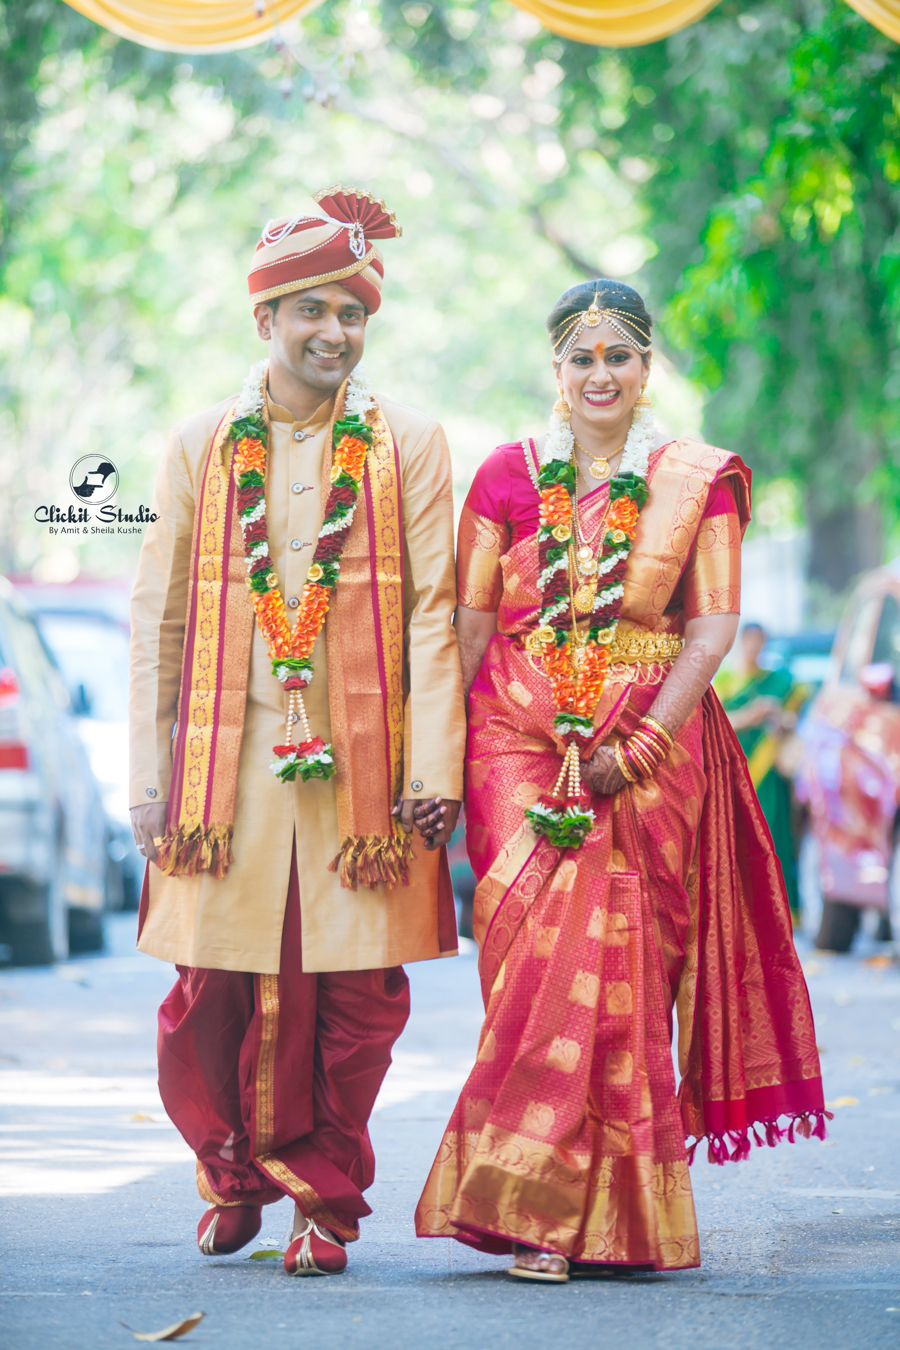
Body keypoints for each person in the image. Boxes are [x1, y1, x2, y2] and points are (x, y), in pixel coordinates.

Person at [414, 280, 826, 1281]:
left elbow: (711, 627)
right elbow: (469, 626)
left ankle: (615, 1217)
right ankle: (537, 1211)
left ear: (647, 370)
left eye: (621, 357)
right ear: (555, 372)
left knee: (632, 969)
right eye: (582, 358)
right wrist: (428, 750)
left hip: (651, 749)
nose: (601, 375)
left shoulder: (699, 480)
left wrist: (638, 746)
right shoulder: (506, 477)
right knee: (533, 971)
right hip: (513, 742)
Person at [129, 187, 464, 1277]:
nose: (334, 332)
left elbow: (430, 609)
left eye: (353, 313)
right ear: (264, 321)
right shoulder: (200, 444)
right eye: (311, 310)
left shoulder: (410, 441)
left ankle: (323, 1201)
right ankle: (232, 1172)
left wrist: (436, 763)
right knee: (207, 995)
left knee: (357, 1003)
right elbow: (161, 616)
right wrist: (149, 779)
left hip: (365, 779)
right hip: (222, 778)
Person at [718, 623, 802, 917]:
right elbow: (715, 721)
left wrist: (779, 717)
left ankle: (782, 908)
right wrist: (751, 715)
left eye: (760, 643)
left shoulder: (778, 681)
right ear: (741, 642)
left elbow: (794, 717)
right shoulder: (725, 679)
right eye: (750, 642)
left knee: (775, 834)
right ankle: (740, 909)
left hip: (769, 770)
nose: (755, 648)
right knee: (736, 837)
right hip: (735, 768)